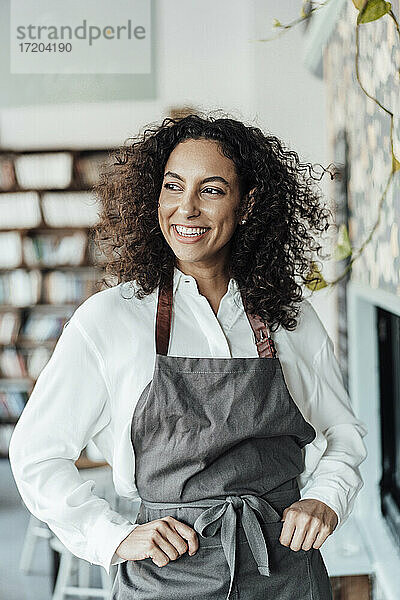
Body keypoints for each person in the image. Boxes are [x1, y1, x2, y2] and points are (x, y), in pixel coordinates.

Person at [9, 112, 368, 600]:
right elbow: (36, 455)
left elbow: (343, 433)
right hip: (166, 576)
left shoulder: (290, 318)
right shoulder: (110, 319)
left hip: (286, 571)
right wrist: (112, 535)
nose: (186, 208)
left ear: (247, 205)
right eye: (173, 187)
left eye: (212, 190)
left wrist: (326, 499)